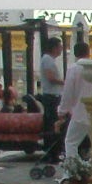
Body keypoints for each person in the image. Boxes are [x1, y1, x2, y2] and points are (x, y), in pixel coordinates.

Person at [58, 40, 92, 163]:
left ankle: (73, 168)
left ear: (75, 54)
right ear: (88, 52)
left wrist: (62, 111)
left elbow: (67, 92)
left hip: (79, 112)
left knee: (71, 142)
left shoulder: (73, 69)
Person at [35, 34, 66, 166]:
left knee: (54, 123)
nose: (61, 50)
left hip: (53, 95)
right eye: (60, 47)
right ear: (54, 48)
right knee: (53, 124)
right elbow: (50, 77)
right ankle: (52, 153)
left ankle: (54, 152)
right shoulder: (47, 59)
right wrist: (64, 82)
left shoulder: (49, 60)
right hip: (51, 96)